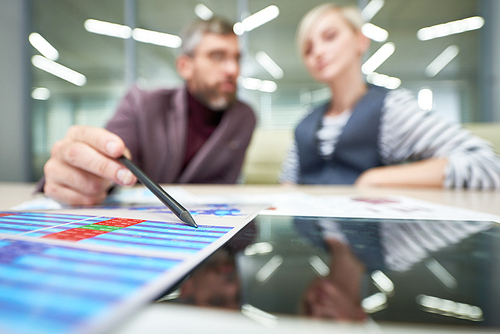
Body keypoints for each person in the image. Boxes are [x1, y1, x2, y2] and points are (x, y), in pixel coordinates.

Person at [280, 3, 500, 188]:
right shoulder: (305, 123)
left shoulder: (390, 110)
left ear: (360, 41)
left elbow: (485, 164)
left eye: (330, 36)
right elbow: (287, 184)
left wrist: (374, 179)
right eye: (308, 49)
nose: (317, 52)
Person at [42, 17, 256, 206]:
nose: (232, 69)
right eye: (217, 56)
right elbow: (113, 154)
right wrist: (83, 173)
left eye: (237, 58)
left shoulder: (244, 118)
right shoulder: (141, 104)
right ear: (184, 66)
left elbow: (225, 186)